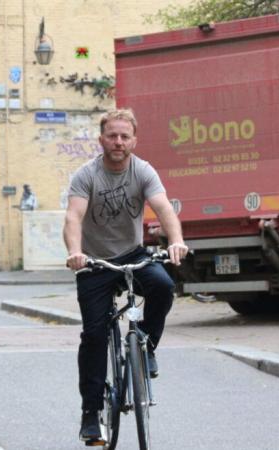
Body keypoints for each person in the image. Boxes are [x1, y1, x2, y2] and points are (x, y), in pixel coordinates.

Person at [63, 108, 188, 443]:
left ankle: (146, 344)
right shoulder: (86, 175)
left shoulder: (143, 171)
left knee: (163, 286)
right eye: (112, 136)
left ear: (134, 140)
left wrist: (176, 241)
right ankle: (91, 414)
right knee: (94, 335)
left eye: (124, 136)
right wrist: (75, 253)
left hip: (133, 254)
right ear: (102, 138)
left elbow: (163, 208)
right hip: (94, 261)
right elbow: (73, 218)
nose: (118, 142)